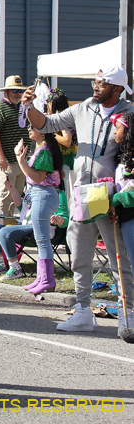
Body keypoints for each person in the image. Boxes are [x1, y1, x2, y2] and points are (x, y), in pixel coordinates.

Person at [22, 65, 134, 332]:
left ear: (117, 89)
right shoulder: (83, 108)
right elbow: (48, 124)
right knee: (80, 253)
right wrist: (28, 108)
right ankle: (83, 310)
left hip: (111, 195)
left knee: (119, 255)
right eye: (95, 82)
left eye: (102, 84)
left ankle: (127, 313)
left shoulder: (129, 113)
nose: (95, 87)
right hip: (82, 193)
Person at [0, 127, 63, 292]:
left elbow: (38, 177)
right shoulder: (42, 149)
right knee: (41, 238)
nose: (29, 129)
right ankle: (42, 278)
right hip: (40, 195)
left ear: (43, 131)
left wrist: (20, 160)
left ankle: (47, 279)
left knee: (42, 240)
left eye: (33, 126)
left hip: (43, 195)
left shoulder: (44, 151)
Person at [0, 178, 69, 291]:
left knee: (5, 232)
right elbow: (23, 209)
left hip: (41, 228)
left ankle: (15, 268)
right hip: (24, 224)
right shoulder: (32, 190)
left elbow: (66, 219)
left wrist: (58, 219)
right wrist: (13, 191)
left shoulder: (57, 193)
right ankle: (1, 265)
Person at [0, 75, 31, 223]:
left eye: (20, 91)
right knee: (5, 195)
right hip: (6, 162)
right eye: (14, 91)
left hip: (21, 161)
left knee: (16, 196)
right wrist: (0, 157)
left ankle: (10, 228)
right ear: (6, 91)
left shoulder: (22, 107)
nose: (18, 94)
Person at [109, 111, 134, 332]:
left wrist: (114, 199)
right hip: (125, 218)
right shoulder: (123, 156)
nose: (114, 132)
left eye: (117, 128)